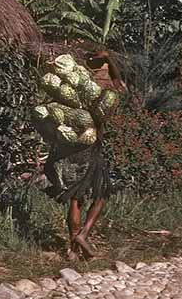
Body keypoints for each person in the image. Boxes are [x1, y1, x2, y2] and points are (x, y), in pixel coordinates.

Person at [44, 49, 126, 260]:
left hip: (67, 146)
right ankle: (83, 235)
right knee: (102, 194)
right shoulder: (101, 92)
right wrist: (109, 59)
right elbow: (119, 84)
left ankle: (72, 251)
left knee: (75, 198)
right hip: (90, 148)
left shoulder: (71, 89)